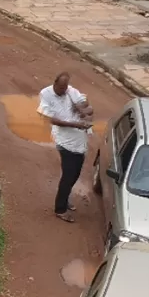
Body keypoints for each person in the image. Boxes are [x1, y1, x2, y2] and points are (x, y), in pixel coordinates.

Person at [38, 71, 95, 222]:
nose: (64, 91)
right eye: (61, 88)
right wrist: (75, 124)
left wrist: (83, 109)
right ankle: (60, 209)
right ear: (55, 83)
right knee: (68, 175)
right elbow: (51, 119)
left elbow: (86, 104)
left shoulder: (70, 91)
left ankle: (65, 199)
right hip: (65, 142)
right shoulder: (46, 94)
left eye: (66, 88)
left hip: (79, 140)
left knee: (75, 173)